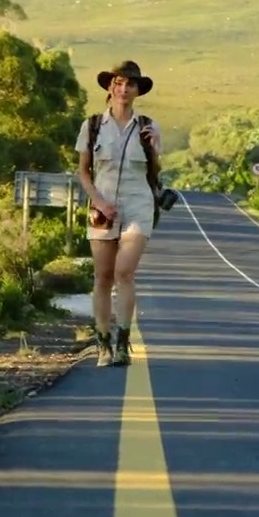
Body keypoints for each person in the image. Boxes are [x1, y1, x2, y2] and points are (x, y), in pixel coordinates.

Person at [75, 60, 162, 367]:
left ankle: (123, 341)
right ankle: (102, 343)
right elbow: (84, 172)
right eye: (119, 83)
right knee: (103, 276)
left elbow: (155, 173)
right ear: (110, 87)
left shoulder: (148, 126)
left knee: (124, 272)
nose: (124, 89)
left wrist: (154, 148)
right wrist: (99, 201)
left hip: (138, 204)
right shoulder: (93, 125)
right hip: (102, 208)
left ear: (138, 91)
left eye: (131, 85)